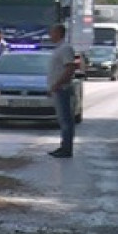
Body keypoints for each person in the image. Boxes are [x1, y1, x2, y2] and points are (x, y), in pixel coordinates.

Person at [47, 24, 77, 158]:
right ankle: (64, 146)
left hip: (62, 89)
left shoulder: (65, 48)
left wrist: (58, 84)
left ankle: (66, 149)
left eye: (52, 32)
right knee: (62, 120)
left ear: (59, 33)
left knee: (66, 120)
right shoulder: (59, 48)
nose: (50, 35)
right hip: (58, 89)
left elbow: (70, 68)